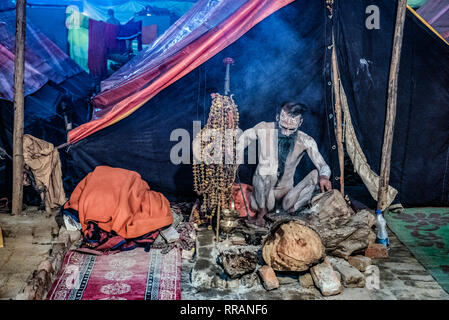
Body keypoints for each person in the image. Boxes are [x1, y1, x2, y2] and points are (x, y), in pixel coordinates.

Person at [236, 101, 332, 227]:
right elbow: (242, 140)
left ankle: (291, 213)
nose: (286, 133)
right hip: (263, 195)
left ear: (300, 122)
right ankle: (261, 215)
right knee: (266, 168)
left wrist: (324, 177)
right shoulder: (264, 128)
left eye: (291, 129)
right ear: (277, 118)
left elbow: (323, 165)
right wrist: (236, 158)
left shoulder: (305, 140)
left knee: (315, 175)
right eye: (283, 128)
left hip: (287, 197)